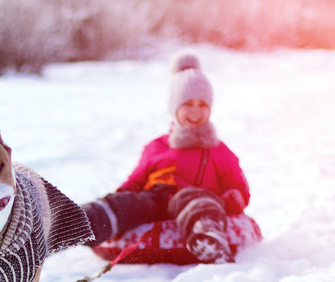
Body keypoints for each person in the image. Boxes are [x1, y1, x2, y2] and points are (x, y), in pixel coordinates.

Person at [83, 52, 250, 263]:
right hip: (156, 199)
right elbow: (136, 180)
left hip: (196, 200)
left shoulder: (218, 149)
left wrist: (232, 198)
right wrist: (123, 196)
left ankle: (206, 237)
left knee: (196, 200)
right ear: (175, 107)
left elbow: (238, 185)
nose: (196, 111)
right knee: (132, 202)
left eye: (203, 105)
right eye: (188, 104)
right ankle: (85, 221)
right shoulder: (157, 146)